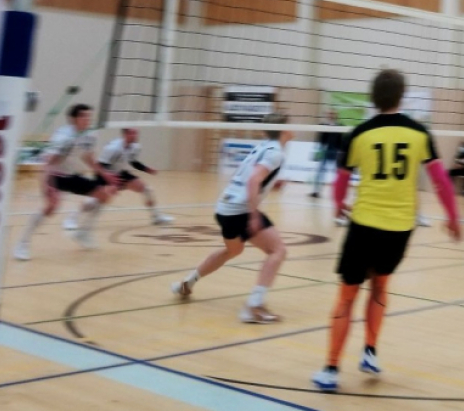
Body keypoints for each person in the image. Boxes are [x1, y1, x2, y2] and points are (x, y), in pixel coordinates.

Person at [312, 70, 461, 392]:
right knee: (380, 286)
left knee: (347, 296)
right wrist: (453, 216)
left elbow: (340, 180)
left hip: (364, 224)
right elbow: (440, 179)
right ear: (401, 96)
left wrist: (338, 204)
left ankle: (331, 368)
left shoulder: (359, 133)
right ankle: (370, 351)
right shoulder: (419, 132)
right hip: (399, 228)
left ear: (373, 96)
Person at [171, 112, 291, 324]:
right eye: (290, 125)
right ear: (283, 130)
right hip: (240, 210)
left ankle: (187, 284)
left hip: (224, 207)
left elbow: (251, 177)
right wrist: (253, 215)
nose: (293, 128)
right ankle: (254, 307)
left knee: (233, 250)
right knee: (277, 251)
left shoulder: (263, 147)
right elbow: (253, 180)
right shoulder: (275, 153)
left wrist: (272, 184)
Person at [13, 104, 117, 261]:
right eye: (83, 116)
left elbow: (88, 158)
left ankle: (83, 232)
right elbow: (49, 161)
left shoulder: (91, 134)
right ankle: (23, 243)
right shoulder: (63, 137)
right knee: (51, 207)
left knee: (104, 196)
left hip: (72, 175)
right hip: (55, 175)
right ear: (73, 119)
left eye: (89, 116)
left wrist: (105, 174)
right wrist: (46, 183)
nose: (87, 119)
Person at [65, 128, 172, 230]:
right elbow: (101, 166)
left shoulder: (135, 146)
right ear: (125, 134)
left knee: (147, 189)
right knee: (93, 201)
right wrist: (109, 183)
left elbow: (133, 161)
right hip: (106, 174)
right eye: (132, 133)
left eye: (136, 133)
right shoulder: (113, 148)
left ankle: (156, 217)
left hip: (121, 173)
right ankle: (72, 218)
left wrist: (147, 169)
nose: (135, 135)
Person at [310, 110, 342, 199]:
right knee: (320, 171)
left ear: (336, 115)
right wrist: (318, 149)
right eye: (329, 114)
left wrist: (339, 151)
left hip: (335, 150)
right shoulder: (323, 125)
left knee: (336, 172)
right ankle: (316, 191)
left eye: (333, 113)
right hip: (324, 149)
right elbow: (319, 138)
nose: (331, 115)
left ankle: (337, 192)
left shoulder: (340, 126)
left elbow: (340, 140)